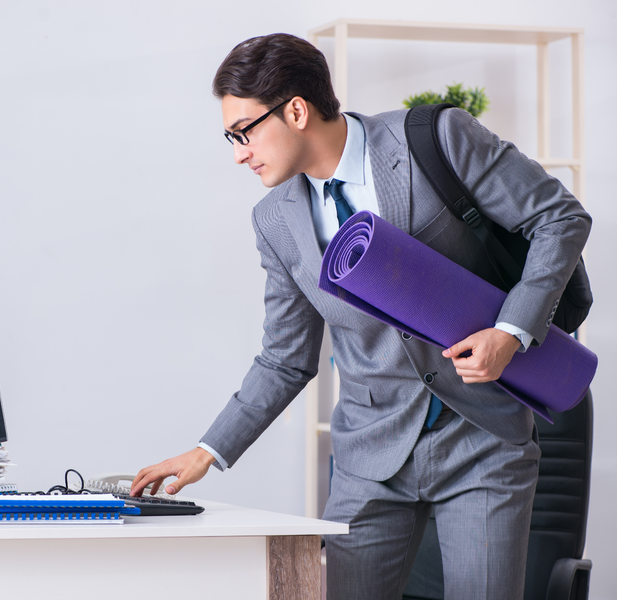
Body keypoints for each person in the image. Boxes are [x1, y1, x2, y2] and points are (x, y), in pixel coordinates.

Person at [131, 33, 591, 599]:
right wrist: (207, 451)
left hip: (482, 440)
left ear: (295, 110)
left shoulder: (435, 138)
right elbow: (286, 359)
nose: (239, 154)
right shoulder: (276, 221)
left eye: (243, 132)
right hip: (369, 455)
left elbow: (559, 217)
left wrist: (512, 332)